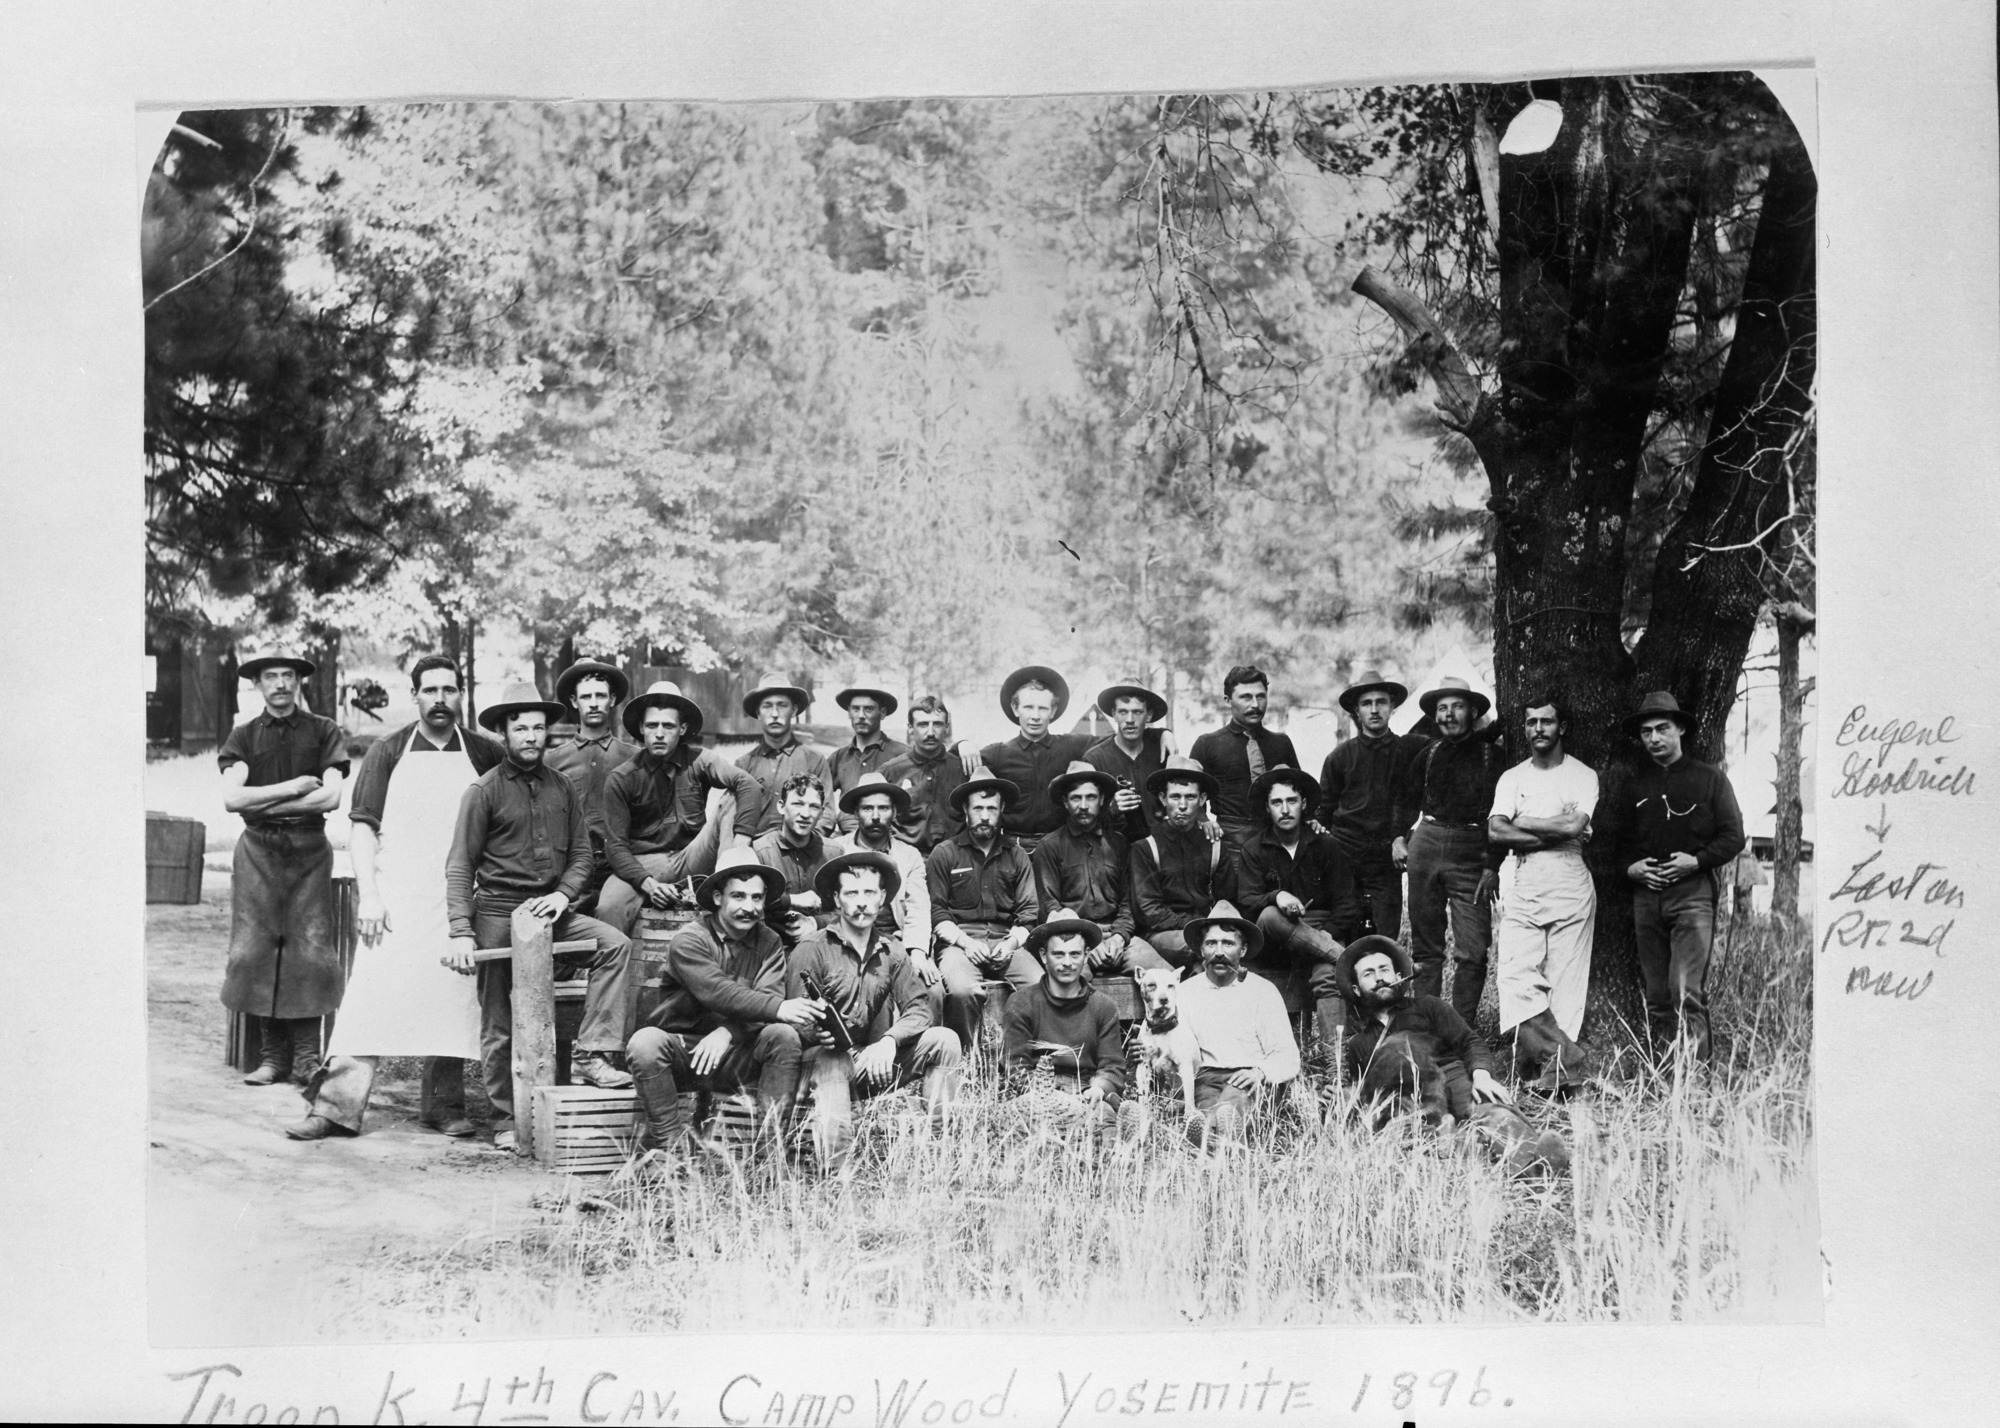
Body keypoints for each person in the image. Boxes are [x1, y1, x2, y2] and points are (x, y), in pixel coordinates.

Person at [286, 656, 498, 1140]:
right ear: (415, 696)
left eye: (449, 690)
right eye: (430, 690)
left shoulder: (485, 753)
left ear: (460, 695)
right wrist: (371, 897)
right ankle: (335, 1108)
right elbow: (362, 827)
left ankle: (443, 1106)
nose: (440, 699)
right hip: (397, 895)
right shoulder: (389, 750)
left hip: (457, 897)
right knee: (370, 996)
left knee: (452, 996)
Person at [445, 682, 637, 1152]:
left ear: (548, 732)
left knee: (615, 945)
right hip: (496, 912)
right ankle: (506, 1118)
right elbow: (459, 864)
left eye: (537, 727)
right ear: (504, 732)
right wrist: (460, 932)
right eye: (519, 727)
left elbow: (582, 856)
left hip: (550, 910)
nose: (530, 736)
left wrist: (562, 896)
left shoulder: (563, 787)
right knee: (499, 1018)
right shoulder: (483, 791)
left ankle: (593, 1052)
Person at [624, 846, 822, 1155]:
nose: (750, 908)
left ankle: (769, 1157)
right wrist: (778, 1009)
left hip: (737, 1053)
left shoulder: (768, 940)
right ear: (718, 898)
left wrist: (728, 1033)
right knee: (645, 1044)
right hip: (685, 1050)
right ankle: (672, 1152)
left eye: (757, 898)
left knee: (782, 1035)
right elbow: (717, 991)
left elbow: (769, 995)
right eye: (738, 896)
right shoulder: (689, 939)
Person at [218, 650, 351, 1088]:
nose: (280, 683)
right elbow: (232, 799)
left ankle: (307, 1058)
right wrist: (293, 787)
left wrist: (267, 798)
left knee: (309, 950)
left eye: (288, 675)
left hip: (309, 847)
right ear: (258, 684)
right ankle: (272, 1058)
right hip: (257, 848)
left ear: (299, 682)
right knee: (257, 949)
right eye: (270, 676)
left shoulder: (323, 731)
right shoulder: (243, 737)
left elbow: (330, 798)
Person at [1336, 935, 1569, 1177]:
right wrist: (1345, 1098)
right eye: (1368, 974)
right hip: (1409, 1098)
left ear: (1398, 977)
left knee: (1492, 1114)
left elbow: (1470, 1042)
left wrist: (1482, 1076)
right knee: (1423, 1131)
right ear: (1356, 990)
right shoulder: (1359, 1044)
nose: (1379, 977)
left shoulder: (1429, 1007)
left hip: (1453, 1078)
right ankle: (1455, 1144)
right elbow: (1370, 1096)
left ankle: (1538, 1168)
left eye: (1384, 969)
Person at [790, 851, 963, 1171]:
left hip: (869, 1061)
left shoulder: (891, 951)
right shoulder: (811, 949)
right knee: (833, 1058)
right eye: (852, 893)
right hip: (815, 1067)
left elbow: (919, 1007)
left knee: (944, 1040)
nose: (861, 903)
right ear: (837, 899)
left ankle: (940, 1154)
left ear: (882, 898)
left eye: (869, 893)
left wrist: (889, 1042)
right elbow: (794, 1026)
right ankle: (836, 1174)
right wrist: (822, 1032)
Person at [1603, 691, 1746, 1065]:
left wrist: (1696, 862)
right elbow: (1614, 846)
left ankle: (1695, 1082)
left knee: (1686, 992)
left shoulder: (1710, 780)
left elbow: (1733, 838)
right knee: (1657, 996)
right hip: (1646, 899)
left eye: (1662, 728)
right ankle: (1665, 1075)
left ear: (1680, 728)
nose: (1653, 738)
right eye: (1647, 731)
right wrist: (1630, 869)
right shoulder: (1633, 786)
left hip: (1693, 895)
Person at [1487, 697, 1603, 1092]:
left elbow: (1573, 827)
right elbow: (1497, 832)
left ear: (1562, 727)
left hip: (1570, 878)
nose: (1539, 729)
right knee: (1515, 976)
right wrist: (1552, 828)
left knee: (1565, 983)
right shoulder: (1512, 778)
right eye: (1531, 722)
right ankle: (1567, 1063)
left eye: (1547, 722)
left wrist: (1524, 822)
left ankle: (1553, 1082)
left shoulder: (1582, 775)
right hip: (1524, 878)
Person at [596, 680, 764, 940]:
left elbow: (748, 784)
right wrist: (648, 884)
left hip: (692, 856)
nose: (660, 733)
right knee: (608, 908)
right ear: (641, 728)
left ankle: (731, 882)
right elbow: (616, 848)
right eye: (652, 725)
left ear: (682, 728)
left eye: (669, 726)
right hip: (645, 863)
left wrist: (740, 847)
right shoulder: (622, 777)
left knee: (732, 795)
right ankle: (620, 974)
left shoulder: (699, 760)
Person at [1393, 676, 1507, 1022]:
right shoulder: (1428, 755)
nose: (1448, 714)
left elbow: (1502, 815)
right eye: (1442, 708)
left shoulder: (1494, 757)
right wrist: (1398, 837)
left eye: (1457, 706)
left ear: (1472, 711)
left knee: (1473, 950)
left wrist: (1492, 865)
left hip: (1473, 849)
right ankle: (1427, 1022)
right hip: (1426, 844)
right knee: (1426, 949)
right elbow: (1404, 800)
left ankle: (1460, 1027)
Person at [1232, 766, 1354, 1056]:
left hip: (1320, 936)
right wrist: (1277, 896)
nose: (1285, 810)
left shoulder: (1326, 845)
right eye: (1277, 802)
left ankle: (1334, 1067)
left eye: (1292, 801)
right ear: (1267, 807)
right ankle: (1346, 959)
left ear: (1305, 805)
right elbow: (1247, 902)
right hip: (1274, 942)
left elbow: (1347, 904)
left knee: (1328, 975)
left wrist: (1327, 933)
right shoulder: (1254, 848)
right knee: (1270, 916)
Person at [925, 768, 1040, 1046]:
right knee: (963, 991)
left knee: (1039, 985)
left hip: (1004, 943)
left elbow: (1028, 914)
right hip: (959, 944)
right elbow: (937, 912)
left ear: (1002, 810)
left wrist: (1011, 943)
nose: (985, 815)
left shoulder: (1018, 855)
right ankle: (965, 1058)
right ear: (966, 810)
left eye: (992, 808)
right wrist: (965, 943)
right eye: (978, 807)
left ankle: (1021, 1058)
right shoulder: (945, 853)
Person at [1173, 901, 1302, 1143]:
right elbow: (1173, 1046)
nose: (1219, 952)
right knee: (1204, 1111)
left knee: (1231, 1107)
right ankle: (1209, 1137)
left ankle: (1218, 1136)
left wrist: (1260, 1073)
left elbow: (1287, 1056)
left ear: (1242, 951)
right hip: (1205, 1079)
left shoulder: (1262, 991)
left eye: (1228, 943)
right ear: (1201, 950)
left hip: (1249, 1078)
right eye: (1211, 943)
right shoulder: (1185, 992)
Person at [1000, 909, 1130, 1145]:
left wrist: (1099, 1089)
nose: (1067, 963)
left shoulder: (1103, 1006)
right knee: (1014, 1129)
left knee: (1106, 1129)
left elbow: (1112, 1066)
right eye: (1058, 954)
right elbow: (1015, 1066)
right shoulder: (1021, 1003)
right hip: (1039, 1093)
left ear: (1086, 954)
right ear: (1043, 956)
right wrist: (1048, 1098)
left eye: (1075, 954)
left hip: (1086, 1092)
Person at [1316, 669, 1421, 939]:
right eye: (1366, 703)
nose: (1374, 710)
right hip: (1345, 855)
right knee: (1343, 934)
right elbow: (1323, 811)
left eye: (1381, 702)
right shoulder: (1340, 757)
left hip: (1386, 859)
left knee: (1384, 938)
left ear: (1392, 707)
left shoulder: (1408, 751)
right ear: (1357, 710)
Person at [1033, 761, 1165, 971]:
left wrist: (1119, 938)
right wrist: (1085, 940)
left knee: (1159, 972)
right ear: (1065, 802)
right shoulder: (1049, 847)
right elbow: (1050, 907)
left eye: (1091, 797)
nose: (1083, 805)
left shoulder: (1120, 844)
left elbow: (1128, 903)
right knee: (1072, 980)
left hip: (1116, 937)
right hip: (1071, 939)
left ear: (1102, 799)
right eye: (1076, 798)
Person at [544, 658, 637, 915]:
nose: (594, 703)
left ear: (613, 699)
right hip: (571, 872)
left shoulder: (634, 757)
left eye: (600, 695)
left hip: (619, 872)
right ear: (574, 701)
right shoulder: (552, 760)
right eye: (586, 696)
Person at [1128, 756, 1239, 969]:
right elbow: (1149, 911)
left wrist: (1214, 926)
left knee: (1221, 950)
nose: (1182, 806)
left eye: (1190, 797)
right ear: (1162, 798)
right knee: (1206, 948)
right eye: (1175, 796)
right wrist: (1199, 926)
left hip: (1208, 930)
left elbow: (1227, 899)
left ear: (1202, 799)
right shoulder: (1147, 847)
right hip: (1163, 934)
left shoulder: (1215, 846)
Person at [977, 666, 1099, 852]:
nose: (1035, 716)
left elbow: (1116, 742)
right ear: (1015, 709)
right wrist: (962, 744)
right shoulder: (999, 753)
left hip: (1062, 847)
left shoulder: (1070, 746)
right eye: (1028, 707)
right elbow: (954, 759)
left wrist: (1159, 735)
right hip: (1013, 849)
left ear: (1053, 710)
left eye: (1042, 708)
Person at [1188, 665, 1300, 848]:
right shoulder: (1208, 744)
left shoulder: (1281, 743)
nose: (1255, 705)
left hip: (1278, 841)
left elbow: (1298, 790)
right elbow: (1192, 793)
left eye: (1261, 696)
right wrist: (1203, 820)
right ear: (1227, 700)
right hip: (1230, 841)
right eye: (1246, 697)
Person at [836, 772, 935, 962]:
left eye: (883, 808)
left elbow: (918, 909)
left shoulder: (909, 856)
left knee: (933, 990)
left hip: (897, 941)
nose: (875, 816)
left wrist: (916, 952)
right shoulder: (838, 850)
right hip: (847, 942)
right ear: (856, 812)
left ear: (894, 812)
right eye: (867, 808)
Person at [735, 672, 833, 836]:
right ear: (758, 713)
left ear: (794, 710)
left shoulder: (814, 761)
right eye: (767, 706)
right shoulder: (744, 765)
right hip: (755, 854)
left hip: (801, 850)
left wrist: (804, 842)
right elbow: (733, 817)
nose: (774, 713)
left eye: (781, 705)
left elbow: (827, 816)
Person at [751, 775, 842, 945]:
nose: (805, 814)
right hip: (773, 947)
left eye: (814, 807)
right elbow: (749, 905)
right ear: (781, 806)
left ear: (822, 812)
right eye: (797, 804)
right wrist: (791, 900)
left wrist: (816, 923)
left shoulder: (834, 852)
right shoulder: (760, 851)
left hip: (824, 944)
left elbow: (845, 909)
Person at [1082, 681, 1173, 841]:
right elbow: (1083, 816)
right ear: (1114, 714)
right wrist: (1110, 809)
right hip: (1114, 852)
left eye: (1137, 712)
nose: (1130, 719)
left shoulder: (1162, 752)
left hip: (1160, 849)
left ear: (1149, 715)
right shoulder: (1095, 759)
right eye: (1123, 712)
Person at [879, 695, 967, 853]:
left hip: (953, 858)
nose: (931, 732)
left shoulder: (963, 768)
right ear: (910, 728)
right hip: (906, 858)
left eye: (938, 724)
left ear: (947, 727)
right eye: (923, 724)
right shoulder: (891, 771)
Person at [827, 682, 909, 835]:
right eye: (855, 709)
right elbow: (819, 799)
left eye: (868, 709)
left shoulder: (902, 755)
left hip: (889, 841)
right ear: (849, 712)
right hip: (848, 841)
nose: (861, 716)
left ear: (882, 712)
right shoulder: (838, 758)